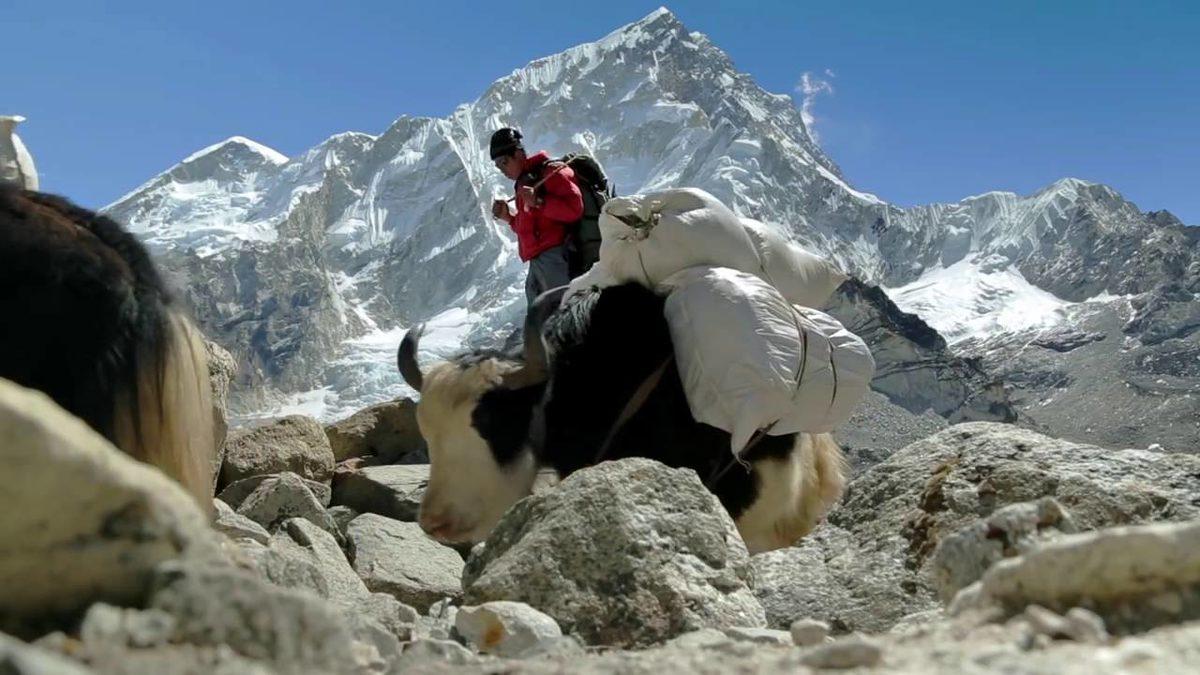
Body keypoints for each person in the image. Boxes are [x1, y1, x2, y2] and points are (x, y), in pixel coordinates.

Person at [489, 127, 583, 306]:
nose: (502, 169)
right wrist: (508, 217)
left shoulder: (550, 172)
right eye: (497, 165)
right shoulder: (524, 184)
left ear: (518, 153)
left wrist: (540, 202)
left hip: (557, 260)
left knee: (560, 319)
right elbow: (530, 227)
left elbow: (574, 209)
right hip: (537, 265)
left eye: (504, 161)